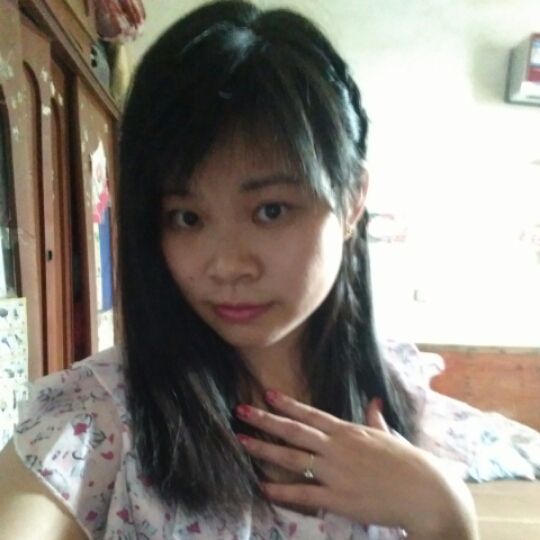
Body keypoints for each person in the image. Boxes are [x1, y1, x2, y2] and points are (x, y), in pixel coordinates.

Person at [0, 1, 478, 538]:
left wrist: (446, 514)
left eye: (270, 210)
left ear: (351, 202)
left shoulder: (403, 397)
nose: (227, 266)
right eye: (186, 217)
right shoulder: (98, 418)